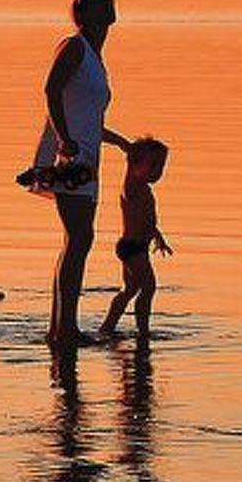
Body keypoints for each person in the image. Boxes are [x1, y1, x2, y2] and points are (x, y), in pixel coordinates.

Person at [25, 0, 132, 353]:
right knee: (79, 239)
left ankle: (61, 327)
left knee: (77, 241)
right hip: (71, 159)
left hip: (89, 157)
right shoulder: (74, 48)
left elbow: (86, 116)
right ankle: (65, 329)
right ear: (83, 13)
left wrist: (119, 142)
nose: (107, 10)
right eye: (100, 4)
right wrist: (64, 139)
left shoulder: (95, 58)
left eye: (109, 4)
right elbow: (51, 91)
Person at [98, 137, 171, 346]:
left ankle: (107, 327)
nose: (157, 171)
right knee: (149, 286)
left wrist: (158, 237)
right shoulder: (132, 186)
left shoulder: (146, 190)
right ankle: (143, 331)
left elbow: (147, 220)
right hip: (131, 248)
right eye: (153, 165)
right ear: (134, 165)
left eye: (161, 166)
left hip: (138, 248)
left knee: (130, 290)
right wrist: (129, 153)